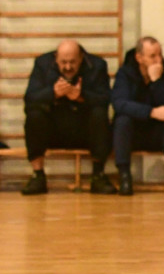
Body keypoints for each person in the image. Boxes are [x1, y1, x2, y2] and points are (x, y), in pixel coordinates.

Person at [21, 40, 114, 196]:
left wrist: (81, 97)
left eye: (73, 62)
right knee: (34, 115)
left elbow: (106, 100)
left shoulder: (97, 66)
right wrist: (53, 93)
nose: (68, 67)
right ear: (56, 58)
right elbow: (30, 99)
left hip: (84, 130)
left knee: (100, 114)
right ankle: (38, 175)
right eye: (63, 62)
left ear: (81, 58)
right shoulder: (42, 64)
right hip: (53, 130)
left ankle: (98, 175)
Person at [111, 36, 164, 196]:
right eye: (153, 56)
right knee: (122, 121)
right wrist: (151, 112)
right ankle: (124, 176)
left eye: (160, 54)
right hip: (133, 132)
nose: (158, 60)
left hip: (156, 132)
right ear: (139, 58)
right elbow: (120, 104)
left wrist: (156, 82)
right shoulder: (125, 73)